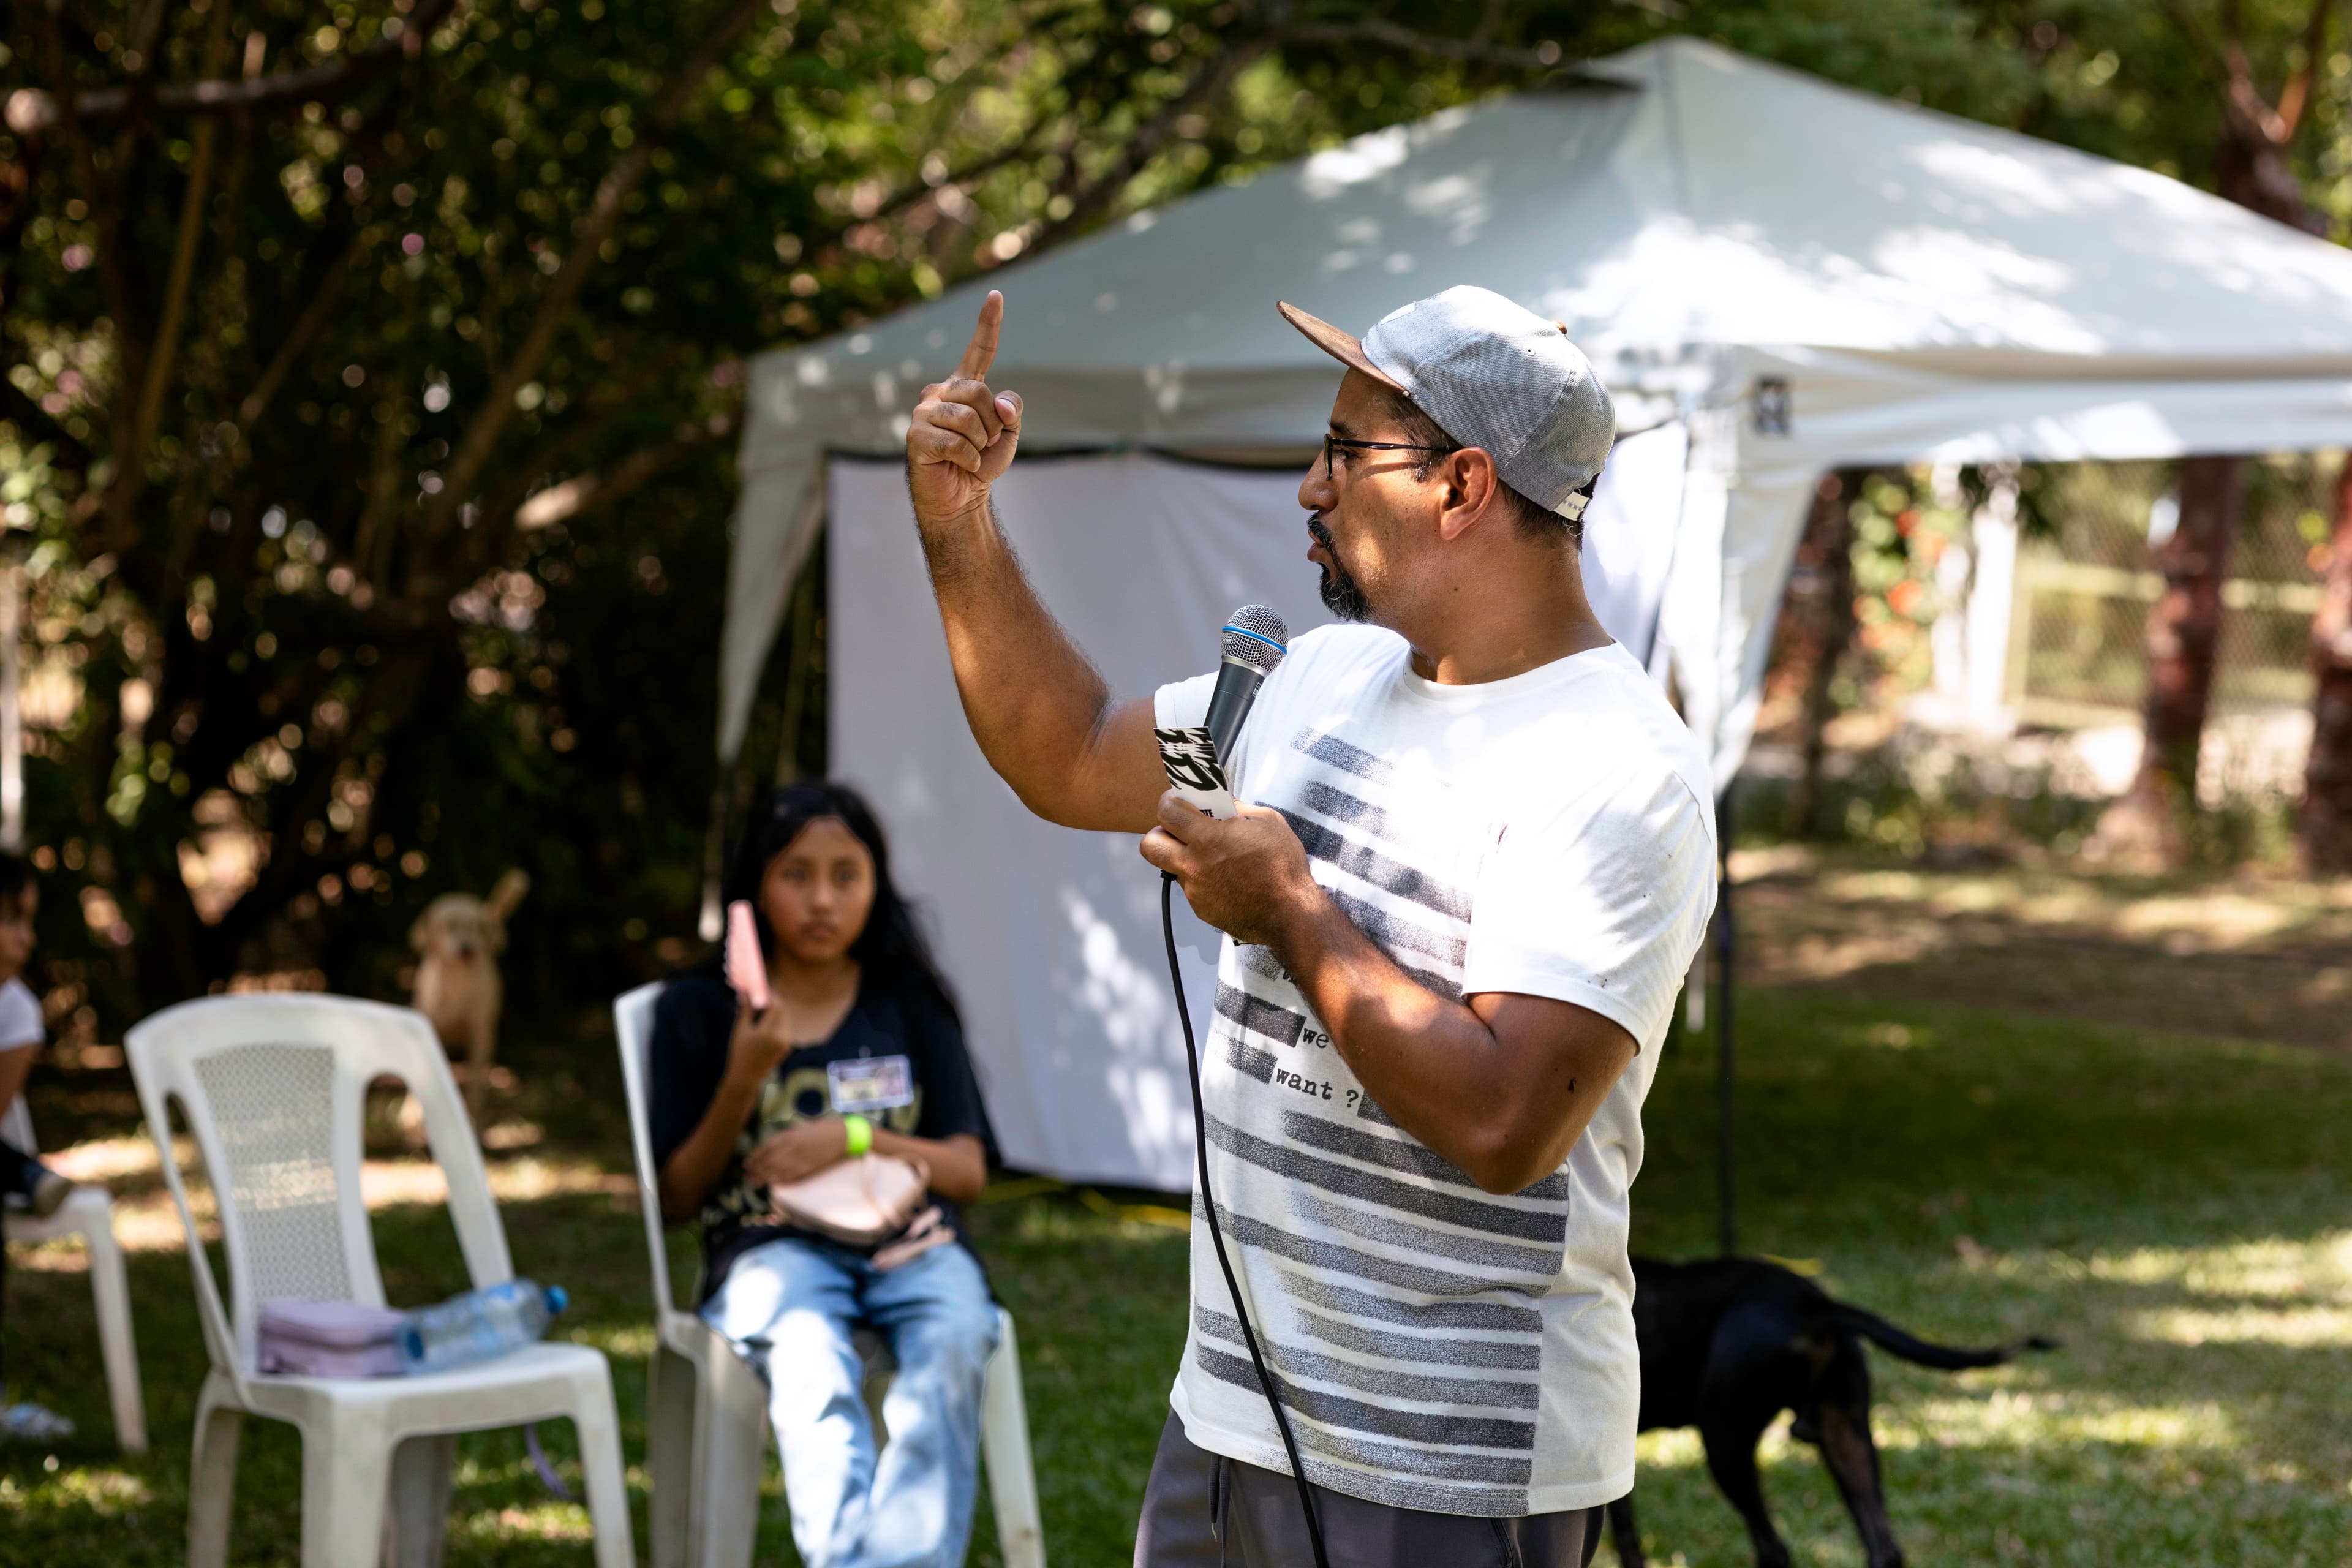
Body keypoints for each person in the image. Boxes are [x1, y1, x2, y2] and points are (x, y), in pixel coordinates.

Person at [902, 286, 1716, 1567]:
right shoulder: (1321, 677)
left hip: (1447, 1464)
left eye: (1345, 451)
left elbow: (1507, 1124)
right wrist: (960, 526)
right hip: (1229, 1418)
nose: (1310, 487)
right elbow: (1070, 752)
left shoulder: (1617, 768)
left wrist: (1288, 908)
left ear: (1462, 484)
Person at [649, 782, 1001, 1568]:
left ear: (876, 885)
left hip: (915, 1242)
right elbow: (676, 1196)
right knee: (811, 1357)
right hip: (769, 1251)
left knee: (955, 1334)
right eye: (796, 873)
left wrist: (855, 1137)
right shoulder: (701, 1008)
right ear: (755, 884)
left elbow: (967, 1171)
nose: (821, 899)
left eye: (847, 875)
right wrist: (744, 1076)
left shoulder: (908, 1000)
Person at [0, 851, 79, 1443]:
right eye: (11, 919)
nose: (26, 937)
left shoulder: (18, 1011)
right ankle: (30, 1175)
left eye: (29, 920)